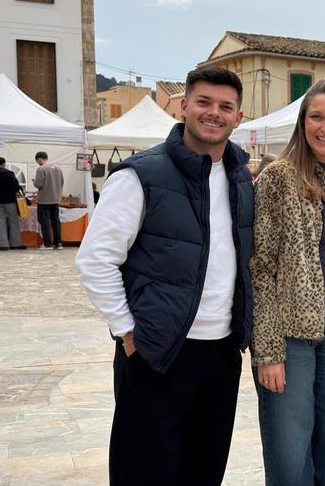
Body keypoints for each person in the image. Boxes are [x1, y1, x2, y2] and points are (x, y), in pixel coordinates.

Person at [74, 66, 254, 486]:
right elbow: (95, 260)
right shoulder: (142, 175)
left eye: (226, 107)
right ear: (184, 106)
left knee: (203, 471)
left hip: (221, 354)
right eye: (204, 103)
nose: (214, 113)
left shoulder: (241, 178)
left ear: (238, 118)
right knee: (145, 470)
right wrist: (128, 331)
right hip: (158, 352)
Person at [250, 80, 325, 485]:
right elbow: (261, 267)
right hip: (289, 329)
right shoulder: (277, 178)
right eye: (316, 117)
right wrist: (267, 351)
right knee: (289, 450)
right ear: (302, 123)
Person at [33, 151, 65, 250]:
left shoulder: (41, 169)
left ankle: (48, 244)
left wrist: (34, 182)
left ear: (39, 159)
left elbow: (39, 184)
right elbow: (62, 182)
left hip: (44, 200)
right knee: (56, 221)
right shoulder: (58, 169)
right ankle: (58, 243)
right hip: (56, 199)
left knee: (45, 222)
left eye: (37, 161)